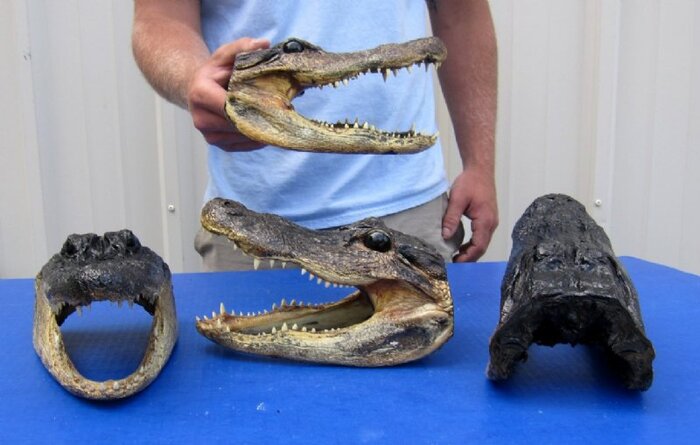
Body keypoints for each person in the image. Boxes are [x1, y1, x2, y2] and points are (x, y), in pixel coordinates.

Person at [132, 0, 498, 271]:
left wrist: (479, 165)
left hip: (410, 215)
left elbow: (460, 13)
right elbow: (160, 19)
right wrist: (194, 78)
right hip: (251, 230)